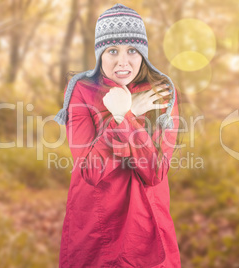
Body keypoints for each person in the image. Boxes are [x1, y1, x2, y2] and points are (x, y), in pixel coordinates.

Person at [53, 4, 182, 267]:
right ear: (100, 53)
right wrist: (129, 113)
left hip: (146, 226)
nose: (123, 62)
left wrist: (125, 117)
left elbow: (155, 171)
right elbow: (90, 170)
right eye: (112, 51)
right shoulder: (81, 90)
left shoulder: (161, 92)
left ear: (143, 53)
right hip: (96, 228)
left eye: (132, 50)